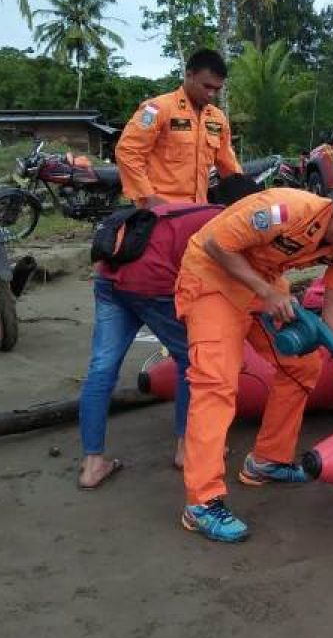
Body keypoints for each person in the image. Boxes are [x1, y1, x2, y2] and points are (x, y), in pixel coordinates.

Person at [175, 185, 333, 543]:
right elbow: (218, 245)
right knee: (216, 383)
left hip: (261, 284)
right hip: (212, 277)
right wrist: (266, 293)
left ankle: (268, 460)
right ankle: (202, 503)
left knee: (303, 366)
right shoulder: (284, 210)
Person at [77, 199, 247, 489]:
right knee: (191, 361)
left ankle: (92, 465)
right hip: (150, 283)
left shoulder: (192, 209)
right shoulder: (228, 224)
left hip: (109, 278)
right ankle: (186, 448)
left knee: (101, 369)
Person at [116, 49, 241, 206]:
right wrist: (147, 197)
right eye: (207, 86)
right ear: (189, 75)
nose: (211, 94)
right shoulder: (156, 109)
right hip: (160, 211)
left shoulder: (217, 118)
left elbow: (228, 164)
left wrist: (245, 194)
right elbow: (128, 151)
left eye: (217, 89)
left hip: (199, 210)